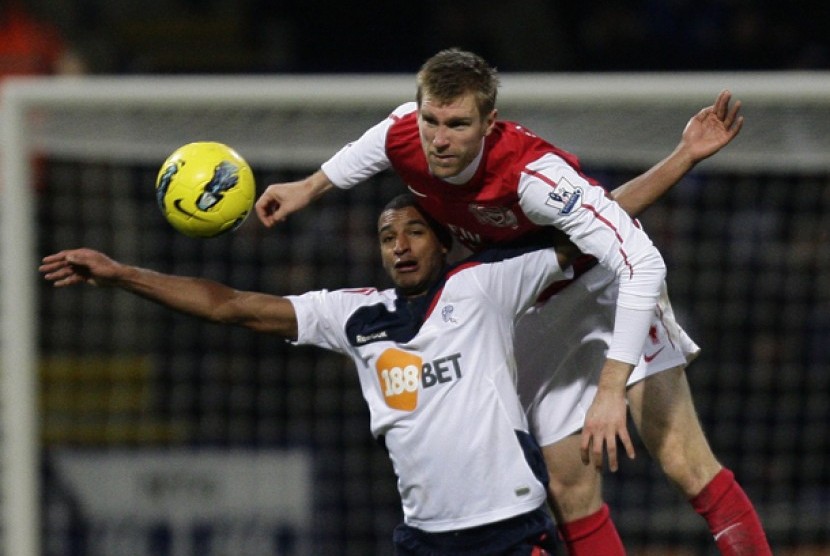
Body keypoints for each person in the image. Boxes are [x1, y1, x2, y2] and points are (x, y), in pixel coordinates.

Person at [253, 48, 771, 555]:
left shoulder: (534, 175)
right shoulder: (404, 135)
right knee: (567, 490)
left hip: (608, 291)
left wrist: (610, 390)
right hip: (536, 306)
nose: (438, 139)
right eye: (430, 120)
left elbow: (641, 261)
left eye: (456, 125)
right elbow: (372, 145)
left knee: (682, 460)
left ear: (489, 122)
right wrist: (308, 186)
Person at [41, 194, 578, 555]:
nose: (401, 245)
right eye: (388, 236)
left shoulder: (483, 287)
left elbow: (598, 227)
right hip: (426, 538)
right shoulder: (354, 314)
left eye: (416, 232)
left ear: (444, 242)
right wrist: (124, 275)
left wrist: (666, 165)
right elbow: (232, 305)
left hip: (511, 526)